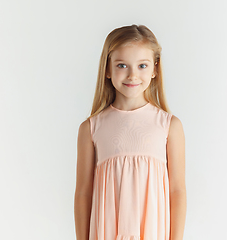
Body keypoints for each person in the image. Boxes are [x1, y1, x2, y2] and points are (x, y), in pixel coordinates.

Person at [74, 24, 186, 240]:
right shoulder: (91, 128)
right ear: (107, 69)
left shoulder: (169, 126)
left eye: (142, 66)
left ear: (155, 69)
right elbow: (83, 193)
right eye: (122, 65)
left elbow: (177, 191)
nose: (133, 75)